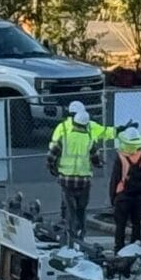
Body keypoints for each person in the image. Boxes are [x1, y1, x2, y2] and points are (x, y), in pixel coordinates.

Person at [46, 100, 105, 243]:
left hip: (66, 180)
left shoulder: (65, 138)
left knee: (70, 209)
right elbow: (96, 159)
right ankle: (81, 235)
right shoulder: (89, 140)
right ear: (85, 124)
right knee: (81, 209)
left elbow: (52, 155)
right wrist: (99, 164)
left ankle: (71, 236)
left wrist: (53, 169)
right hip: (84, 181)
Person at [108, 124, 141, 249]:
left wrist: (113, 198)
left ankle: (119, 248)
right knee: (136, 224)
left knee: (120, 225)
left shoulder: (121, 158)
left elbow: (115, 179)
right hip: (138, 196)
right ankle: (135, 248)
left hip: (123, 196)